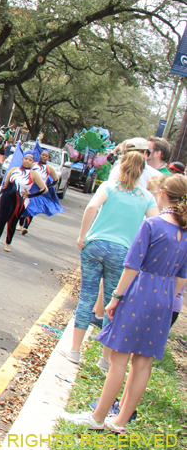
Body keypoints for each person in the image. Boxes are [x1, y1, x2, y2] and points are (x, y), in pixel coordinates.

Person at [61, 174, 187, 433]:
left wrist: (115, 298)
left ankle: (97, 418)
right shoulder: (184, 233)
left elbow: (131, 266)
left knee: (118, 359)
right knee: (144, 363)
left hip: (139, 292)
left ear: (162, 194)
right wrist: (163, 295)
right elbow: (181, 278)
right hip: (165, 298)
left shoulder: (152, 225)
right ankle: (119, 421)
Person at [60, 152, 157, 368]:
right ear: (142, 171)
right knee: (114, 303)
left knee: (87, 296)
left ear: (121, 167)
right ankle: (105, 359)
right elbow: (156, 223)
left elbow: (92, 207)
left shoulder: (110, 186)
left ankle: (75, 351)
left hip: (95, 245)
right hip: (123, 253)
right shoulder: (147, 197)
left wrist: (83, 236)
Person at [0, 149, 47, 252]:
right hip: (7, 196)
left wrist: (30, 195)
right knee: (1, 219)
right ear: (22, 159)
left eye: (30, 160)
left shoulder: (33, 174)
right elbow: (5, 185)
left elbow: (44, 189)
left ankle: (8, 243)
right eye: (25, 159)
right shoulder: (13, 170)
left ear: (32, 162)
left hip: (21, 201)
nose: (27, 161)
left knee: (13, 221)